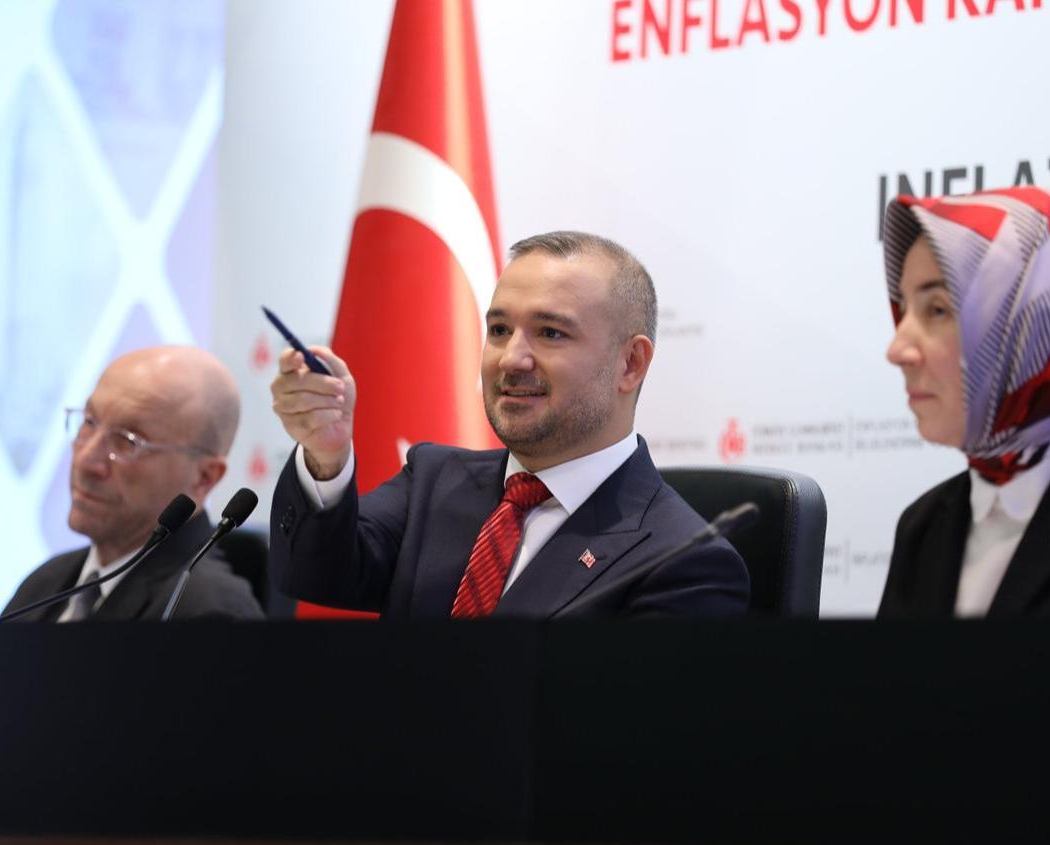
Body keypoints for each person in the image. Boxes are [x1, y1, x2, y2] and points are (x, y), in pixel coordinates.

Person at [269, 231, 749, 618]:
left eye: (550, 333)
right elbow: (316, 575)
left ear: (630, 363)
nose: (511, 358)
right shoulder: (432, 478)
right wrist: (325, 457)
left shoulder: (686, 562)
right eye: (499, 330)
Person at [878, 187, 1050, 617]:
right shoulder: (923, 527)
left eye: (937, 310)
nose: (897, 349)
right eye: (904, 307)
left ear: (1036, 322)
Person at [2, 346, 263, 621]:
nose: (87, 461)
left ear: (204, 477)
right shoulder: (46, 584)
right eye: (89, 422)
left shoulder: (209, 614)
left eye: (128, 441)